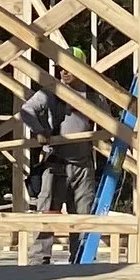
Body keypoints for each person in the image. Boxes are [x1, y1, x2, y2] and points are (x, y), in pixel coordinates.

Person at [19, 77, 98, 226]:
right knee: (47, 220)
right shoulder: (52, 92)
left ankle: (79, 250)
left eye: (67, 67)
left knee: (83, 220)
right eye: (61, 67)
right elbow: (27, 110)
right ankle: (40, 251)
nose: (63, 71)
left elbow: (108, 122)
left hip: (83, 165)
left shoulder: (92, 95)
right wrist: (39, 130)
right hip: (56, 163)